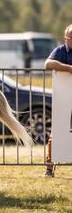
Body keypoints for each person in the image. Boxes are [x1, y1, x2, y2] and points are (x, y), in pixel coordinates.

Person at [43, 24, 72, 177]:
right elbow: (47, 64)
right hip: (64, 99)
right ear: (65, 37)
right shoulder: (61, 50)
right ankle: (49, 167)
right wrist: (68, 68)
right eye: (71, 37)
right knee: (57, 133)